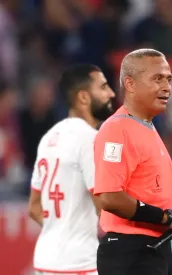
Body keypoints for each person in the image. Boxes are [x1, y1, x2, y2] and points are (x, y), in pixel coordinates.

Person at [94, 49, 172, 275]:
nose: (166, 87)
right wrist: (167, 218)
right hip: (129, 252)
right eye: (157, 79)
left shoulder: (148, 128)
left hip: (154, 248)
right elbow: (110, 196)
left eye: (169, 79)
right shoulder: (117, 129)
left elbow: (148, 192)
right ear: (130, 84)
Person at [28, 64, 115, 275]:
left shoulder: (50, 137)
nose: (111, 93)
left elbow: (34, 208)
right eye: (103, 87)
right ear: (83, 97)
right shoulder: (89, 139)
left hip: (46, 259)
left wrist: (62, 230)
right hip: (78, 263)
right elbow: (103, 206)